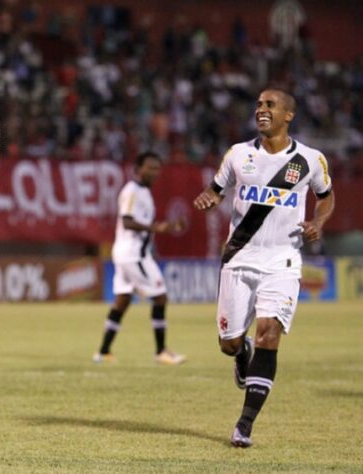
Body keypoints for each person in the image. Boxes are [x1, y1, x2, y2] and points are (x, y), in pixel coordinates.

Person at [193, 88, 335, 448]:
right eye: (258, 104)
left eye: (270, 105)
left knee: (269, 333)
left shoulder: (309, 160)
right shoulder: (239, 155)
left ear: (289, 115)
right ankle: (241, 356)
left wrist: (319, 221)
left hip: (283, 261)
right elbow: (215, 189)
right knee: (229, 343)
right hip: (239, 258)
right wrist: (209, 197)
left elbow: (326, 196)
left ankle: (244, 425)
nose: (261, 109)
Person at [93, 151, 187, 366]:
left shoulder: (144, 192)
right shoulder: (132, 190)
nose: (154, 172)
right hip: (133, 255)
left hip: (128, 253)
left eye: (157, 168)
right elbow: (127, 222)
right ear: (137, 169)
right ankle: (161, 351)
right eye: (150, 167)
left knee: (122, 301)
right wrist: (156, 227)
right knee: (160, 297)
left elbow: (144, 225)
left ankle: (103, 352)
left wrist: (168, 226)